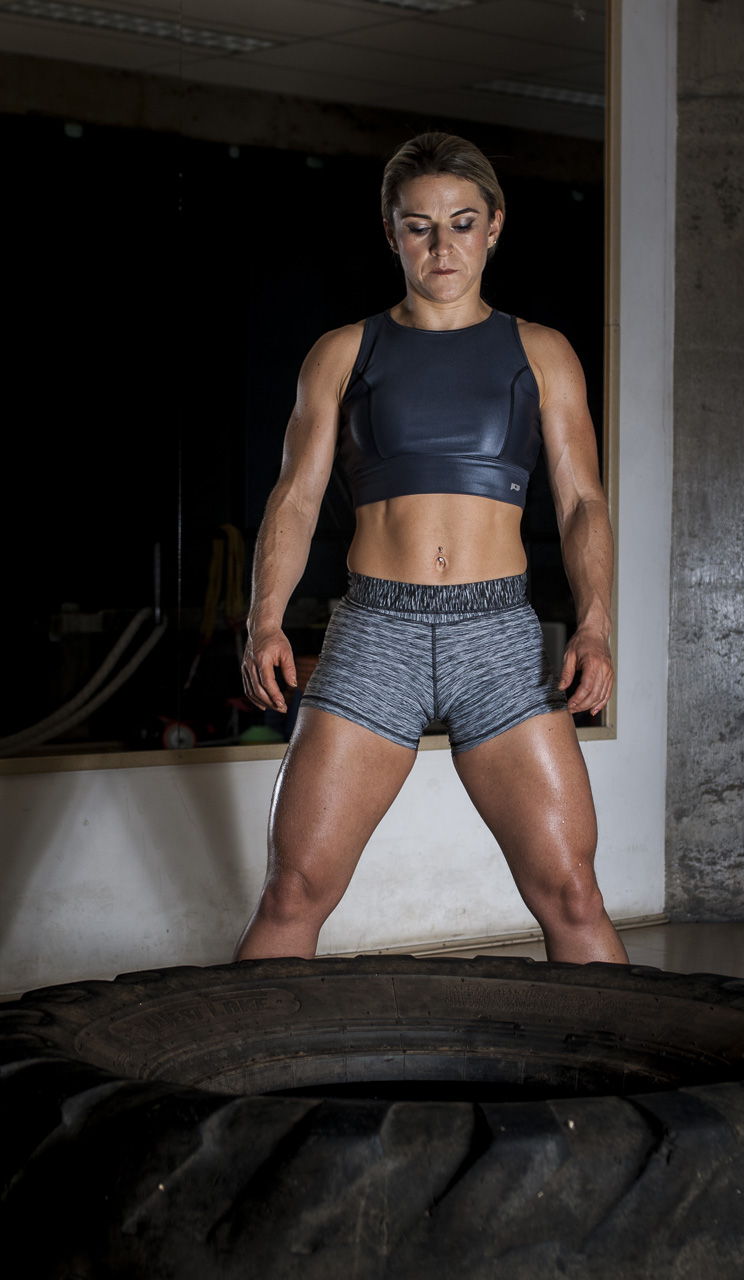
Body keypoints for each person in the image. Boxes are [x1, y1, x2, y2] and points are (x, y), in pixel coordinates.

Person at [236, 132, 628, 967]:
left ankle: (625, 1058)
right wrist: (264, 617)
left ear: (494, 227)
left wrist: (595, 623)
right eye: (419, 227)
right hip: (378, 631)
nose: (441, 246)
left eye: (461, 223)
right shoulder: (343, 352)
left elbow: (582, 502)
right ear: (392, 233)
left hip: (499, 639)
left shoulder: (541, 353)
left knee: (573, 893)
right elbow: (294, 497)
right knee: (293, 891)